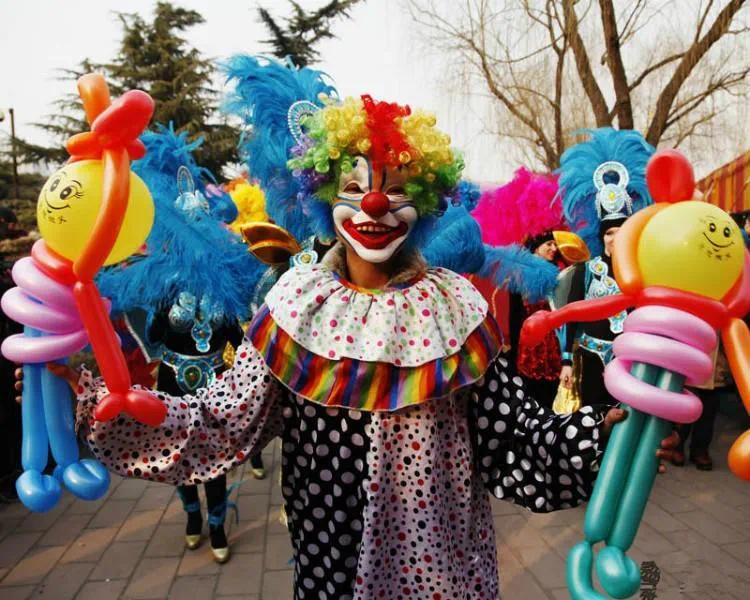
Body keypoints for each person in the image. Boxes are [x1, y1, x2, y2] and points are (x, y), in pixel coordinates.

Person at [27, 58, 678, 598]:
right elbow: (220, 425)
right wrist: (98, 398)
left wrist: (606, 435)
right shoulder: (293, 305)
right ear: (323, 197)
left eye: (396, 187)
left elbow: (515, 447)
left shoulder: (457, 308)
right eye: (355, 185)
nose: (374, 202)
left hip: (444, 579)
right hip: (331, 577)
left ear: (424, 203)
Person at [94, 124, 267, 563]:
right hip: (173, 377)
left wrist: (240, 367)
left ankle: (217, 524)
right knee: (177, 453)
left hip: (215, 381)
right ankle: (192, 516)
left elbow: (237, 336)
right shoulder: (163, 282)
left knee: (214, 454)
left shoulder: (224, 284)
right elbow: (152, 335)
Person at [557, 129, 656, 407]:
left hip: (631, 362)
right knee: (594, 419)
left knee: (625, 419)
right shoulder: (585, 271)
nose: (615, 238)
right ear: (602, 237)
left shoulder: (642, 272)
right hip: (591, 360)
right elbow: (570, 315)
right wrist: (566, 361)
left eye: (621, 231)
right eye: (610, 232)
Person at [673, 341, 731, 471]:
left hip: (716, 369)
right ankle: (677, 446)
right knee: (684, 411)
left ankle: (700, 450)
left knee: (708, 414)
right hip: (690, 364)